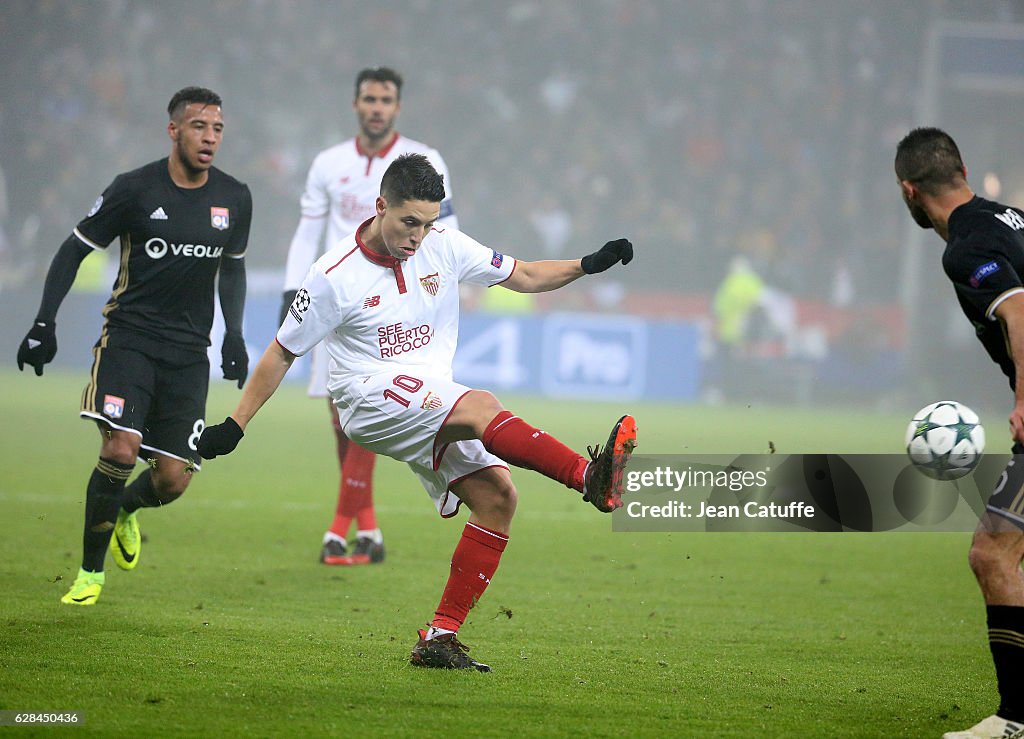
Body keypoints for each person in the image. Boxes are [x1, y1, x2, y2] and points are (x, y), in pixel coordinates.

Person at [199, 153, 636, 671]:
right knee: (480, 406)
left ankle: (440, 636)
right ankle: (587, 476)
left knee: (498, 498)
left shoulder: (444, 245)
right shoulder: (333, 276)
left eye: (428, 224)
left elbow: (525, 276)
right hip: (366, 398)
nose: (418, 236)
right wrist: (236, 423)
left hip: (428, 394)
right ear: (380, 206)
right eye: (409, 222)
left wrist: (588, 264)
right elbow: (282, 350)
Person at [16, 86, 252, 606]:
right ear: (174, 131)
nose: (209, 137)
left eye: (217, 128)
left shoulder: (235, 198)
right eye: (198, 126)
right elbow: (74, 248)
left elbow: (232, 269)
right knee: (119, 445)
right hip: (130, 341)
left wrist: (234, 334)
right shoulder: (134, 189)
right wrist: (43, 322)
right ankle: (90, 574)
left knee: (172, 480)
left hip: (190, 355)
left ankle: (124, 508)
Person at [281, 67, 459, 566]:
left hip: (398, 301)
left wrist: (439, 292)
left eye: (385, 99)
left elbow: (448, 232)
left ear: (397, 107)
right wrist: (292, 291)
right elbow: (306, 231)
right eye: (369, 98)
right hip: (340, 300)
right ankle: (370, 529)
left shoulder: (424, 161)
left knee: (374, 404)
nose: (377, 107)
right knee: (343, 419)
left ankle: (340, 530)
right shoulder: (328, 163)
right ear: (356, 103)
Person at [896, 127, 1024, 739]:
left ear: (909, 190)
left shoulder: (966, 247)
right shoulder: (1015, 219)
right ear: (963, 169)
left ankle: (1016, 720)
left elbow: (1021, 312)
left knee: (993, 553)